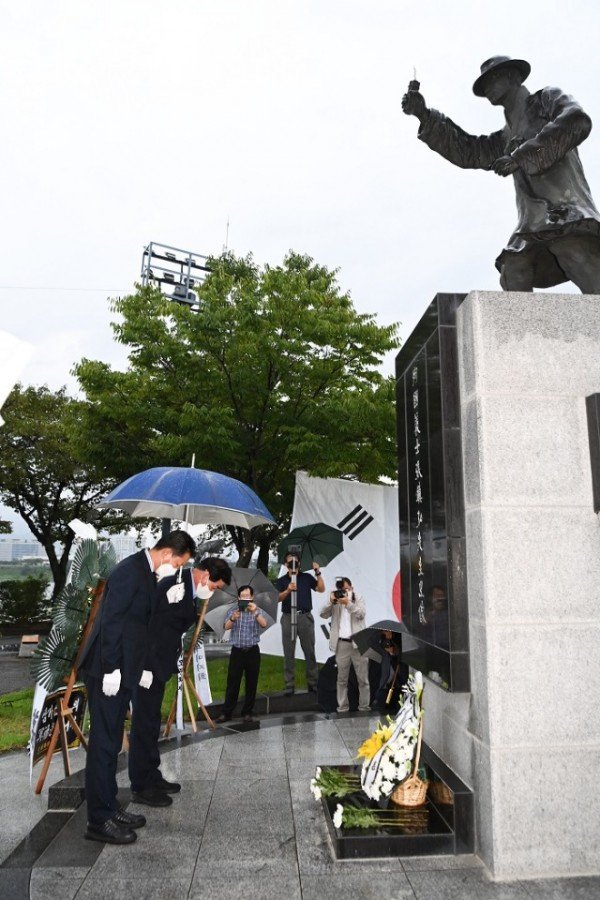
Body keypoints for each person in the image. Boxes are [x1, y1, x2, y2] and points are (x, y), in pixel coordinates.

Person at [402, 55, 600, 293]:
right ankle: (525, 331)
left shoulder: (546, 100)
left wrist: (520, 157)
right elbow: (470, 151)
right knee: (514, 270)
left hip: (565, 211)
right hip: (534, 222)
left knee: (573, 251)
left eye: (492, 79)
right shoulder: (506, 136)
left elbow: (576, 121)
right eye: (483, 86)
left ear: (513, 76)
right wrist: (424, 115)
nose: (487, 89)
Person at [78, 530, 196, 844]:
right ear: (169, 554)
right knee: (103, 746)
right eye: (180, 563)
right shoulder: (129, 571)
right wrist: (112, 669)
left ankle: (109, 806)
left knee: (112, 741)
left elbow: (140, 626)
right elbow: (111, 623)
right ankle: (98, 821)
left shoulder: (147, 574)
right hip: (108, 671)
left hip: (126, 669)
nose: (178, 569)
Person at [128, 556, 231, 805]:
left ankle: (152, 775)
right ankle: (141, 785)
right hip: (147, 667)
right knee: (143, 724)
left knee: (152, 722)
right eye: (215, 586)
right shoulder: (172, 584)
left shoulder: (187, 589)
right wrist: (145, 667)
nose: (212, 591)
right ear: (205, 574)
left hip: (160, 665)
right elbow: (148, 626)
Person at [215, 584, 268, 723]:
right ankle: (227, 713)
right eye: (242, 596)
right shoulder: (233, 610)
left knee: (251, 683)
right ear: (239, 597)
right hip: (237, 651)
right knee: (233, 682)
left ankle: (247, 712)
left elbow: (264, 624)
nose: (245, 598)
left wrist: (255, 612)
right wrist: (233, 618)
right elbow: (226, 627)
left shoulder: (257, 610)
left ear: (252, 597)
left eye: (247, 596)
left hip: (252, 651)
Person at [276, 553, 325, 695]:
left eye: (295, 563)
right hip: (287, 618)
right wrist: (288, 590)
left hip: (305, 617)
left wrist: (318, 572)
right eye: (290, 563)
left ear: (299, 564)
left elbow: (321, 589)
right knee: (288, 653)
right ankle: (289, 685)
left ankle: (313, 683)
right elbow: (277, 598)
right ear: (285, 565)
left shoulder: (306, 578)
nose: (293, 565)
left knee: (309, 651)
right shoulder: (282, 581)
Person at [320, 576, 370, 713]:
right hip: (342, 643)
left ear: (352, 588)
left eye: (347, 589)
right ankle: (342, 708)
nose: (344, 592)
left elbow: (361, 614)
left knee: (363, 679)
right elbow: (323, 614)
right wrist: (331, 601)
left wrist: (348, 603)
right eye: (342, 590)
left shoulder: (358, 598)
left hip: (358, 642)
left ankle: (364, 707)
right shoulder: (336, 602)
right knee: (341, 679)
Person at [373, 631, 409, 715]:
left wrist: (395, 653)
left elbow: (403, 676)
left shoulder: (400, 656)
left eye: (390, 644)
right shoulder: (383, 652)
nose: (388, 646)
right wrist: (381, 634)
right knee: (380, 696)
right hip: (387, 688)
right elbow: (372, 643)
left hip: (399, 687)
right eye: (386, 644)